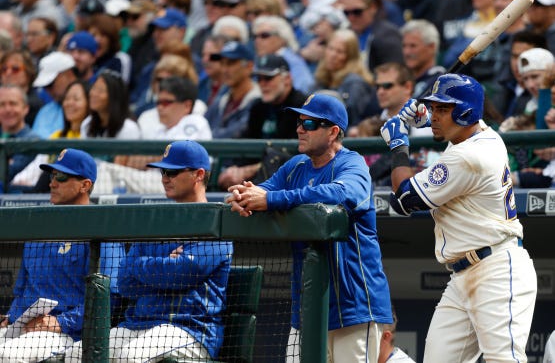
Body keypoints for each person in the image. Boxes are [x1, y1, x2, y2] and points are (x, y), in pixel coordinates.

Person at [379, 73, 537, 362]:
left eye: (443, 109)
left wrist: (399, 145)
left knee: (504, 360)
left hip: (497, 270)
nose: (435, 115)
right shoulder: (483, 135)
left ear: (465, 113)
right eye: (434, 108)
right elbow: (455, 133)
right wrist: (425, 122)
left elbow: (404, 199)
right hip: (464, 275)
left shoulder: (468, 157)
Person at [225, 93, 393, 363]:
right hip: (308, 309)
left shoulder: (353, 164)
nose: (300, 129)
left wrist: (270, 200)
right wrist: (244, 197)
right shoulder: (295, 167)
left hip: (355, 306)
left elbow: (342, 193)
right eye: (300, 122)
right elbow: (262, 192)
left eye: (311, 124)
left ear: (333, 132)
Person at [65, 140, 233, 362]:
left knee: (130, 357)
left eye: (172, 172)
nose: (164, 178)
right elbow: (125, 281)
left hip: (190, 329)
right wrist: (164, 264)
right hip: (140, 324)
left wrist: (147, 267)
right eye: (163, 171)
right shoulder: (157, 222)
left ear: (199, 174)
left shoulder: (216, 221)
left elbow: (182, 273)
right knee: (78, 354)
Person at [0, 148, 125, 362]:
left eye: (62, 177)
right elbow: (22, 292)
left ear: (85, 185)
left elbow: (109, 299)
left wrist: (62, 323)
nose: (52, 183)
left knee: (8, 355)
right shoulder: (38, 229)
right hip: (26, 328)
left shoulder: (102, 228)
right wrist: (9, 318)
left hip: (70, 334)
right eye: (52, 176)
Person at [217, 54, 306, 188]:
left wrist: (246, 171)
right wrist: (234, 170)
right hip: (258, 181)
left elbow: (294, 156)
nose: (262, 84)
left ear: (287, 79)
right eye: (259, 78)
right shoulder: (258, 107)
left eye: (268, 78)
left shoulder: (302, 107)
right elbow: (246, 144)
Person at [312, 28, 381, 126]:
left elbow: (351, 121)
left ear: (350, 57)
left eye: (339, 52)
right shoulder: (322, 79)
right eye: (330, 48)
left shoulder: (355, 84)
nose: (333, 55)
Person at [204, 41, 261, 138]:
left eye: (231, 63)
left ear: (249, 66)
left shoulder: (259, 102)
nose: (225, 70)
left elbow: (236, 135)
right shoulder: (220, 102)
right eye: (222, 64)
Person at [0, 84, 40, 192]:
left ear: (25, 108)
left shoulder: (33, 140)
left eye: (13, 104)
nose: (7, 109)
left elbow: (7, 172)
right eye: (2, 104)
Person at [31, 51, 78, 139]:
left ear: (69, 74)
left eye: (50, 84)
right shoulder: (45, 111)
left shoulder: (89, 107)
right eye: (45, 86)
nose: (48, 90)